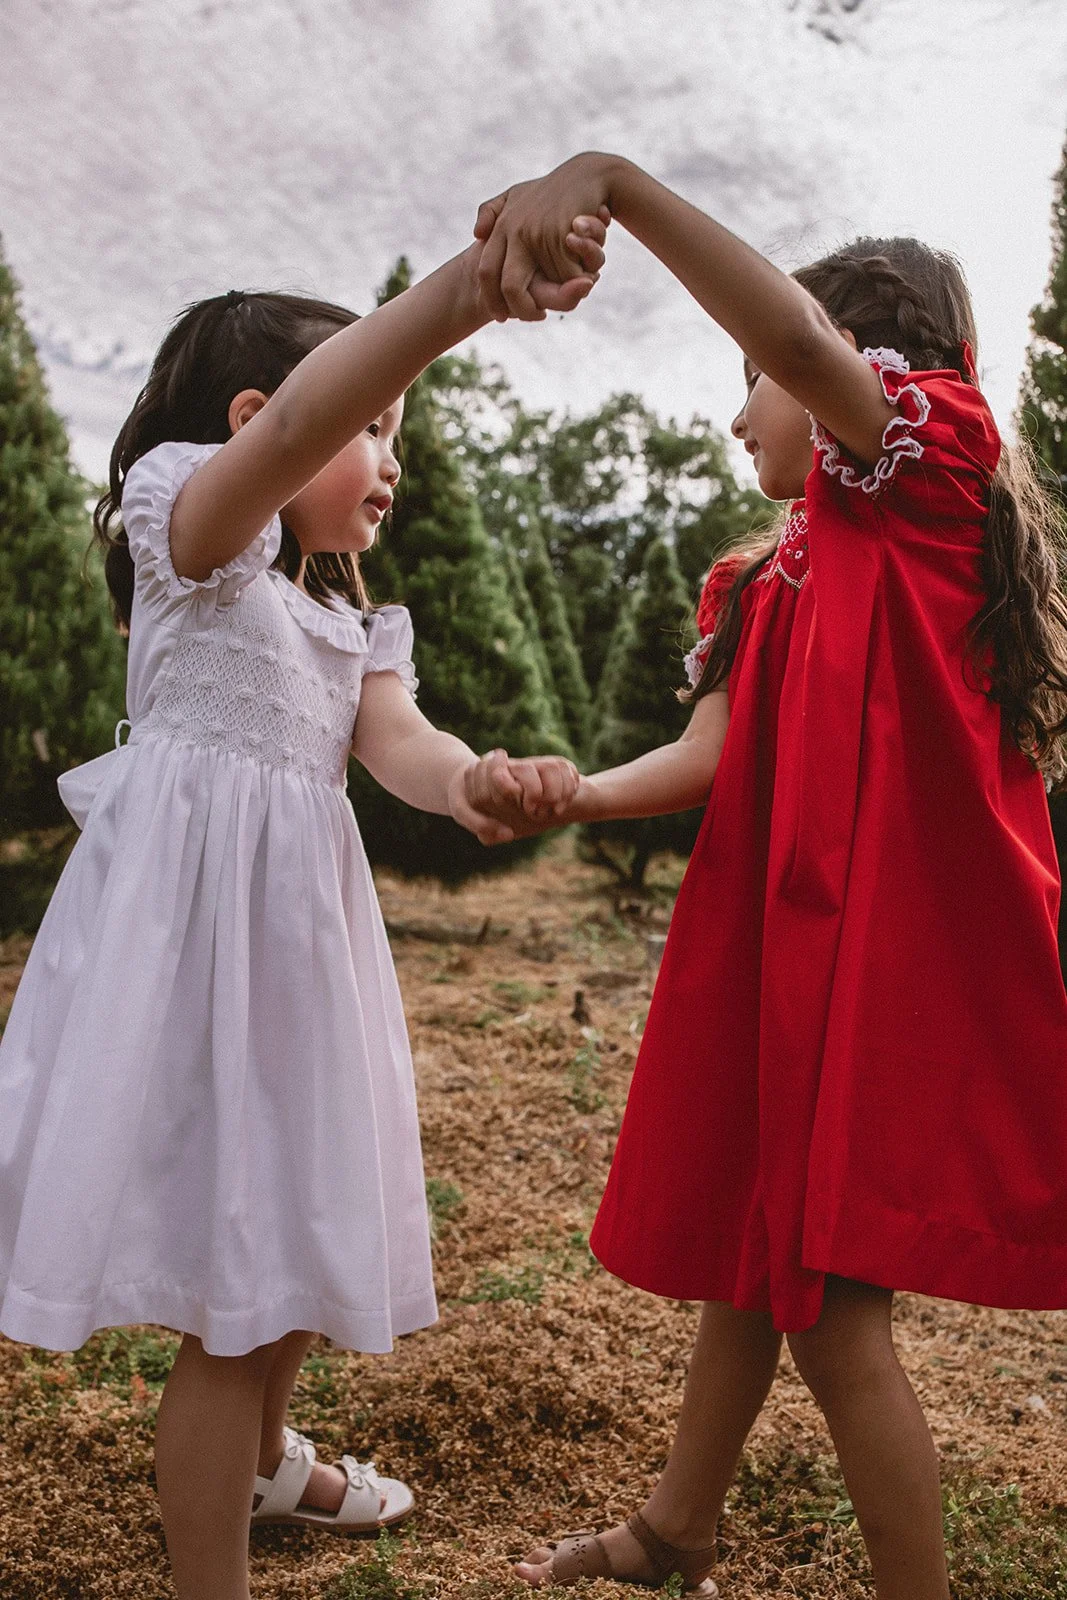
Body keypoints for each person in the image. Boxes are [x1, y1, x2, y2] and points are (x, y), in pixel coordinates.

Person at [467, 155, 1067, 1600]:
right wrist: (575, 793)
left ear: (858, 370)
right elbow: (712, 745)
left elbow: (796, 343)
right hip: (778, 943)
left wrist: (613, 179)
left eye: (750, 379)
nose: (738, 414)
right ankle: (678, 1528)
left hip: (884, 965)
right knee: (756, 1245)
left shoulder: (928, 471)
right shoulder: (775, 564)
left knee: (825, 1305)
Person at [0, 218, 605, 1600]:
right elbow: (281, 454)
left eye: (399, 433)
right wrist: (461, 296)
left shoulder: (343, 620)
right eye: (370, 423)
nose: (391, 459)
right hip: (182, 974)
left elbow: (402, 747)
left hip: (295, 970)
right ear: (262, 420)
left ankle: (272, 1460)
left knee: (288, 1233)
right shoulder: (194, 529)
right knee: (233, 1282)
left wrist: (477, 784)